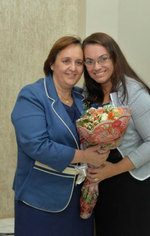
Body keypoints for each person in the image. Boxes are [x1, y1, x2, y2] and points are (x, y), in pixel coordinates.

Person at [11, 36, 110, 236]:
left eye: (79, 62)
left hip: (81, 198)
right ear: (52, 64)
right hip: (42, 199)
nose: (73, 68)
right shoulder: (32, 95)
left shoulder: (83, 97)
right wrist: (85, 157)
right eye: (66, 61)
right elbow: (37, 146)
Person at [82, 32, 150, 236]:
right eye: (89, 61)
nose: (97, 67)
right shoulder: (88, 92)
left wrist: (114, 169)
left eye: (103, 59)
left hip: (131, 180)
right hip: (102, 178)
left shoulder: (134, 92)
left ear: (114, 58)